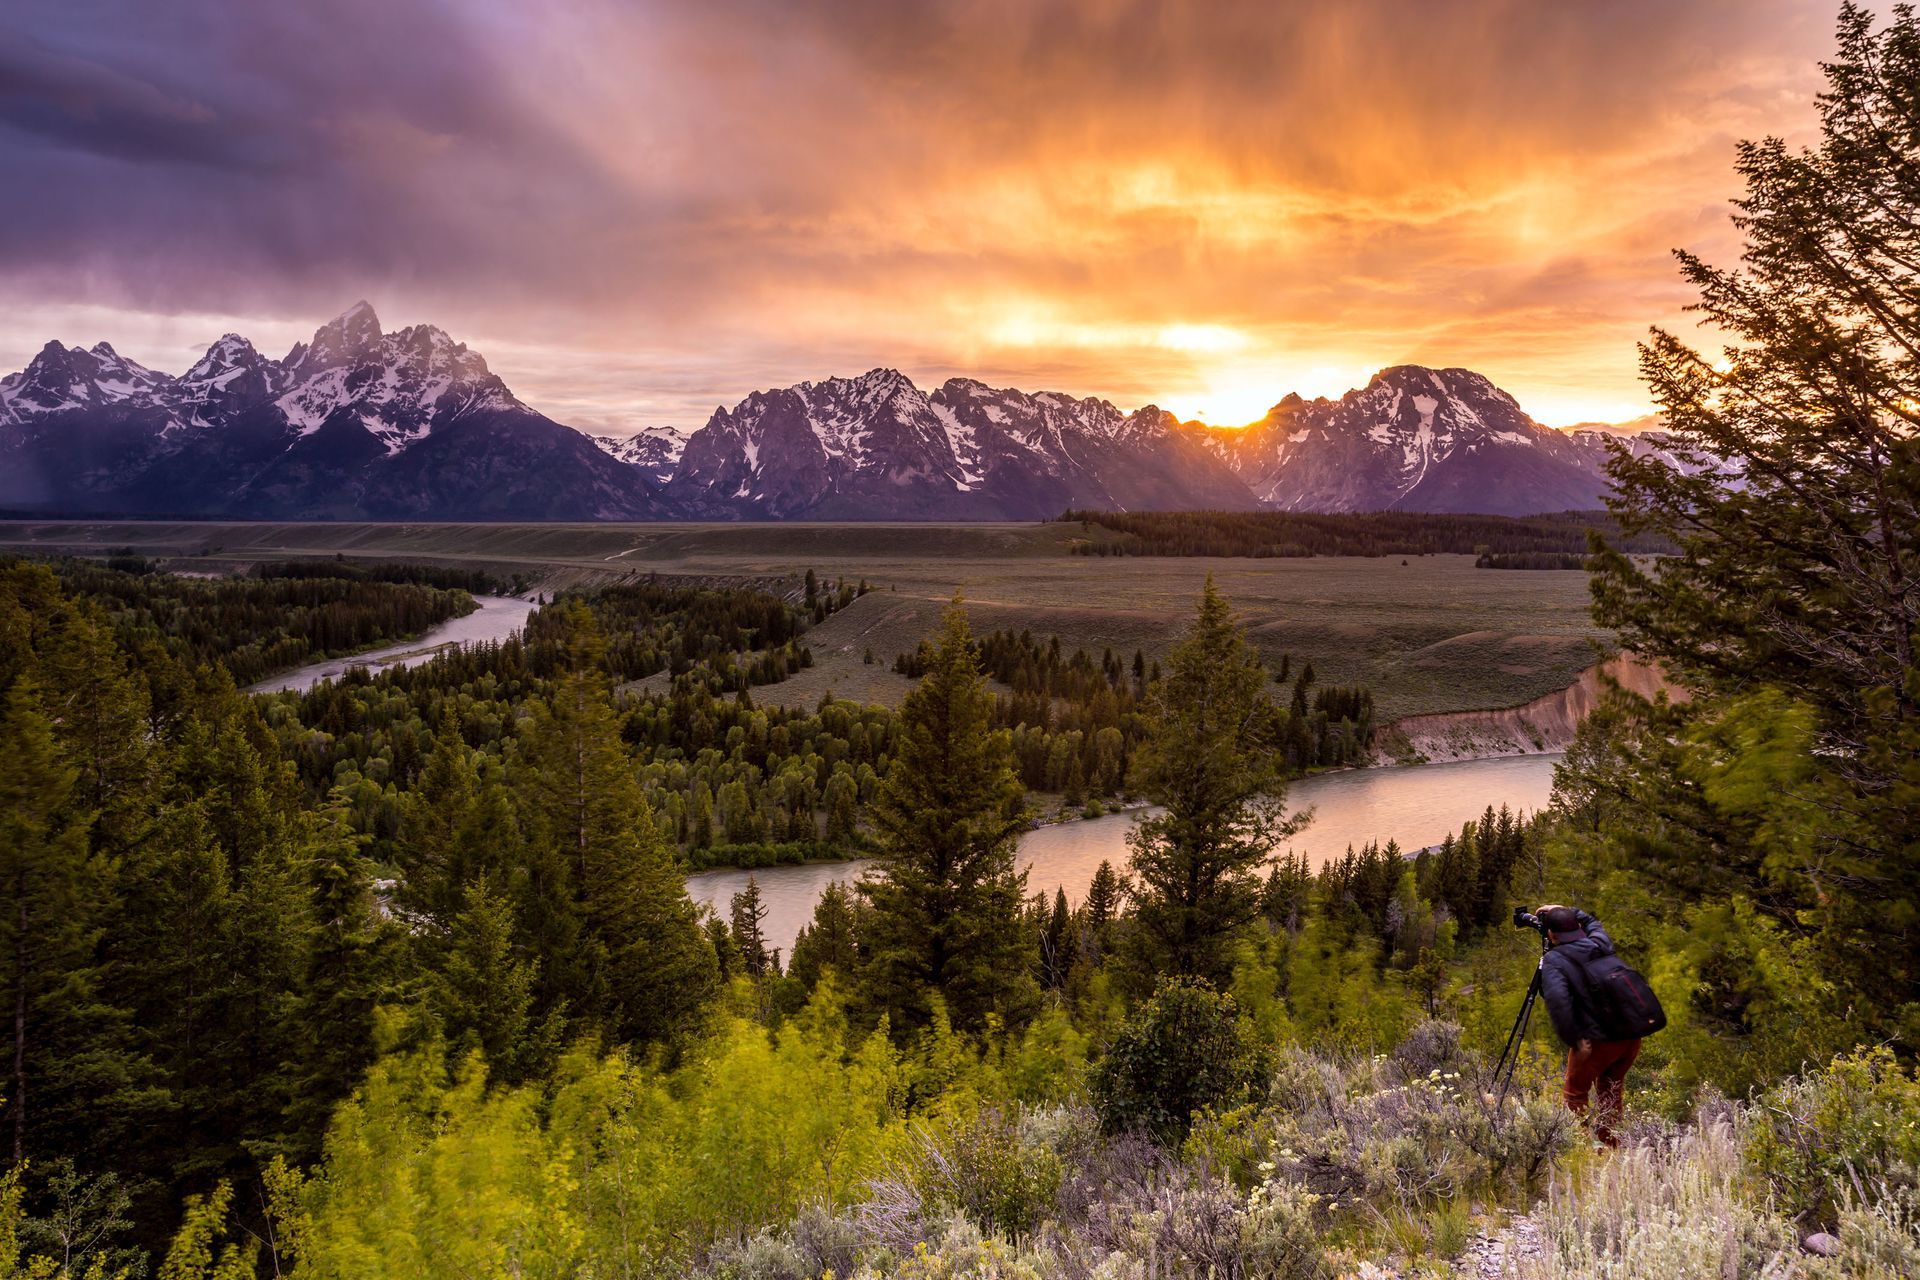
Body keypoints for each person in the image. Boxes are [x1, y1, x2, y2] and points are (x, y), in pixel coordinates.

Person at [1535, 903, 1639, 1147]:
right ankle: (1609, 1148)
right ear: (1578, 927)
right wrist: (1567, 909)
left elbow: (1559, 1003)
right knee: (1610, 1090)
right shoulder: (1600, 943)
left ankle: (1579, 1151)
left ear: (1551, 935)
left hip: (1598, 1038)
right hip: (1631, 1033)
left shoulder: (1554, 960)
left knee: (1575, 1093)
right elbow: (1594, 923)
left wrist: (1575, 1040)